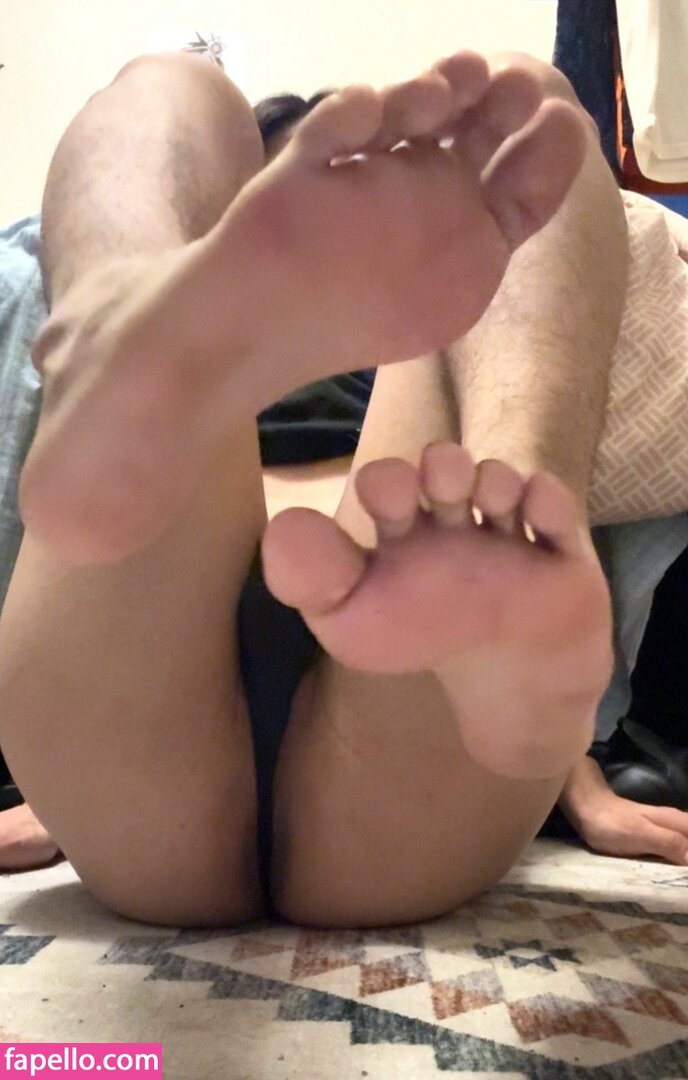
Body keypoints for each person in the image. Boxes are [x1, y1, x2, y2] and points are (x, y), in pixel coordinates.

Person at [0, 45, 681, 928]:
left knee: (524, 120)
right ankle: (119, 317)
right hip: (187, 565)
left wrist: (576, 777)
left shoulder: (422, 329)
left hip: (397, 631)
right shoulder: (201, 347)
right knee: (177, 83)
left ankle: (510, 525)